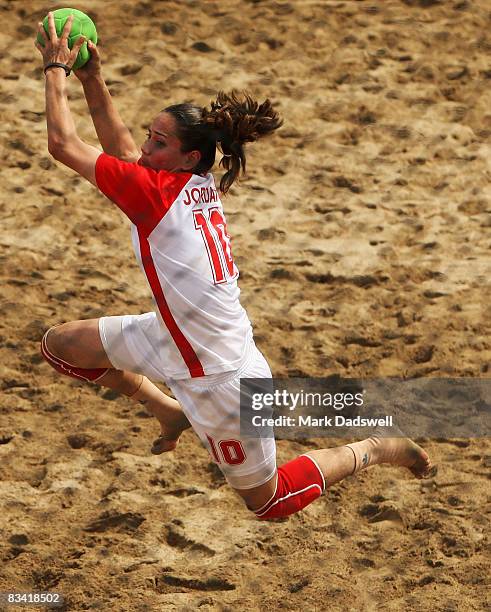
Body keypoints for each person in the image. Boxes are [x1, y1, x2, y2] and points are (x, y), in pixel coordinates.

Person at [35, 14, 435, 521]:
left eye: (158, 142)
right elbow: (124, 152)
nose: (145, 149)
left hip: (222, 378)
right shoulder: (189, 183)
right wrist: (93, 77)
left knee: (267, 503)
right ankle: (168, 409)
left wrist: (55, 69)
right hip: (172, 337)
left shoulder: (157, 192)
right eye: (150, 136)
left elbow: (62, 145)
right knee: (61, 346)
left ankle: (375, 448)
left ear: (189, 157)